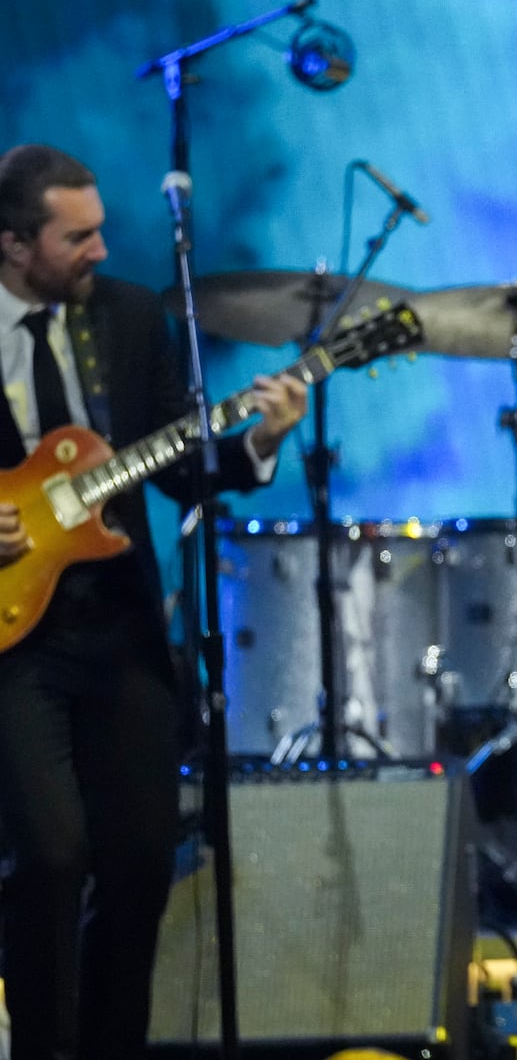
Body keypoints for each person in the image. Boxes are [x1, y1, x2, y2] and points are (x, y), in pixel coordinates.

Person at [0, 144, 308, 1059]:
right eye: (77, 236)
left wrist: (259, 444)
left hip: (123, 626)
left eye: (101, 230)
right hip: (15, 642)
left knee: (140, 862)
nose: (100, 250)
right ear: (14, 245)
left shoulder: (130, 317)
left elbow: (179, 464)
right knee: (51, 858)